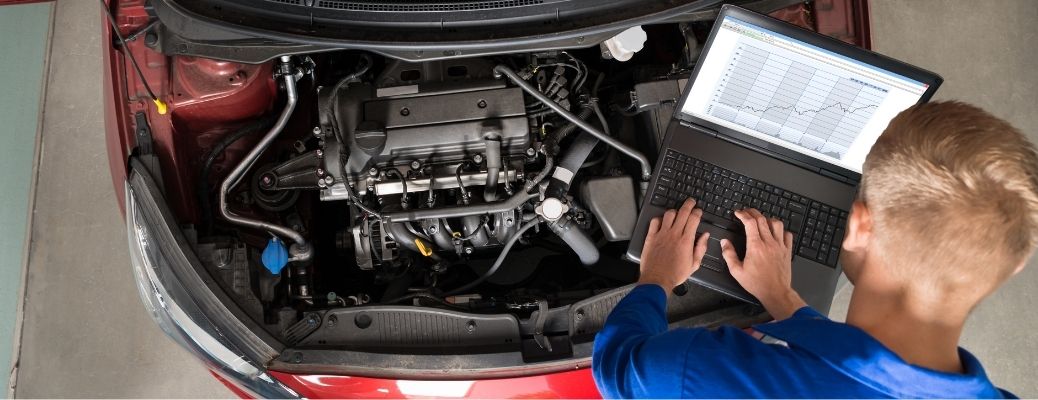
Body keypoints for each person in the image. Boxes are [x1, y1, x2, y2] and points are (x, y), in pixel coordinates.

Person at [592, 101, 1037, 398]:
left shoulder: (708, 373)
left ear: (860, 225)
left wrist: (655, 279)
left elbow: (618, 367)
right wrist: (786, 303)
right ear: (1016, 262)